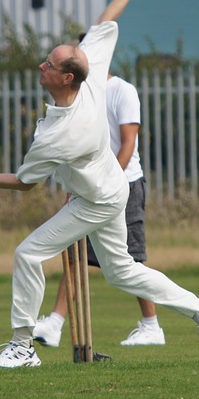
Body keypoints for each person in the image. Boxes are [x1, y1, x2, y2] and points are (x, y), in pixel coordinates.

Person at [0, 0, 199, 368]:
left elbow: (24, 183)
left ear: (65, 78)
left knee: (27, 254)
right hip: (111, 189)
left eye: (48, 64)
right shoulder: (91, 69)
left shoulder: (59, 135)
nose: (41, 66)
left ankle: (23, 346)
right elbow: (105, 20)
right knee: (122, 273)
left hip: (96, 200)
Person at [32, 70, 164, 347]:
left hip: (122, 184)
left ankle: (152, 326)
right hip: (90, 189)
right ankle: (55, 323)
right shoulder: (80, 96)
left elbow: (128, 142)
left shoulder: (121, 91)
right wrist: (76, 186)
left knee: (130, 259)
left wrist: (108, 182)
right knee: (74, 255)